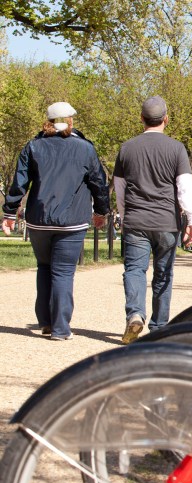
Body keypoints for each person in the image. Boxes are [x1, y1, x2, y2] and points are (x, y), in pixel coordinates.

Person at [1, 101, 110, 341]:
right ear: (71, 121)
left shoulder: (33, 146)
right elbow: (98, 184)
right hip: (71, 221)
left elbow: (19, 183)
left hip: (39, 220)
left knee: (44, 267)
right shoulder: (85, 148)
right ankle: (60, 328)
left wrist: (9, 213)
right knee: (63, 272)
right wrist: (101, 212)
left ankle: (46, 321)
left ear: (48, 121)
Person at [114, 95, 192, 344]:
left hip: (136, 220)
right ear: (166, 119)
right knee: (164, 274)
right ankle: (159, 326)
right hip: (166, 222)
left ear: (141, 118)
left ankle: (135, 314)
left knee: (134, 270)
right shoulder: (176, 148)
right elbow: (184, 187)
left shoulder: (127, 148)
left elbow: (120, 188)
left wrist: (123, 215)